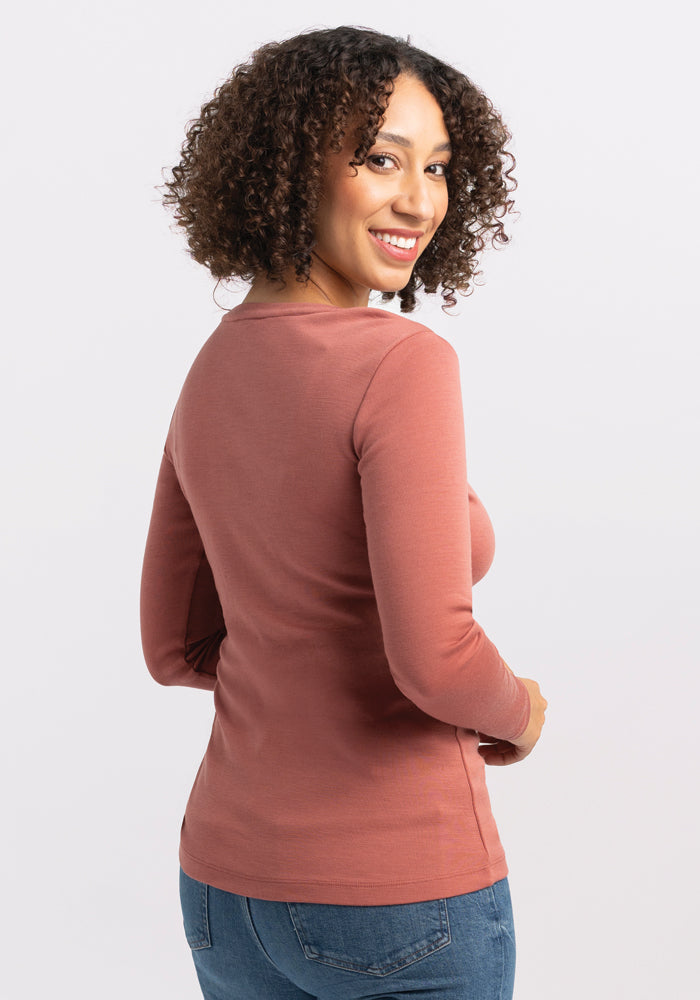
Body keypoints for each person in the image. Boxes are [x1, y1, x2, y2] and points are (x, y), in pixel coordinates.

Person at [140, 25, 547, 1000]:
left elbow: (173, 646)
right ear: (287, 168)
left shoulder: (218, 363)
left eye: (440, 167)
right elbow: (438, 657)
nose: (419, 198)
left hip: (226, 889)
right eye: (379, 159)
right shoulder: (401, 362)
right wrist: (520, 711)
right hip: (400, 898)